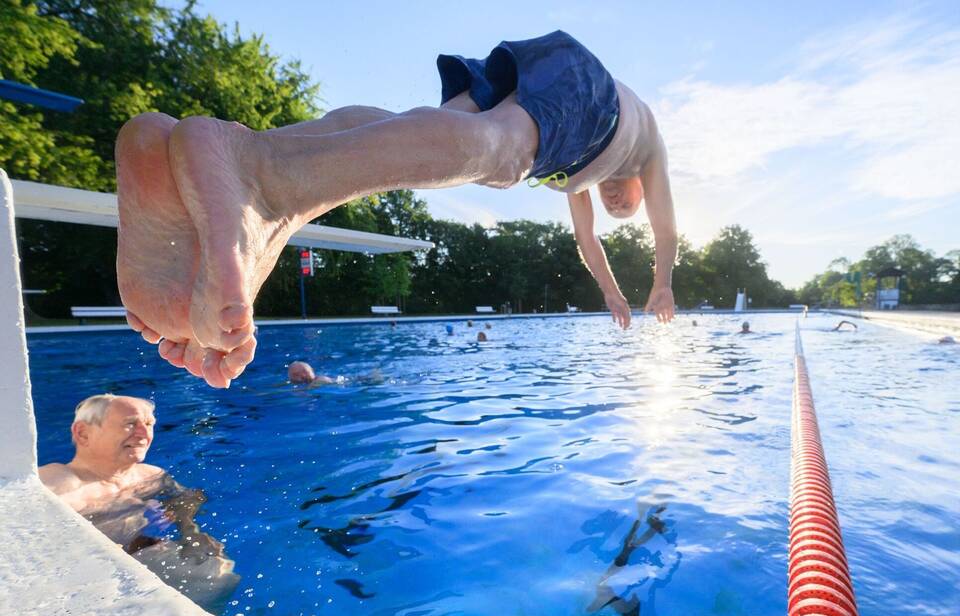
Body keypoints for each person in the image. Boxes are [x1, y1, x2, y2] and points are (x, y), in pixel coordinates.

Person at [116, 31, 678, 389]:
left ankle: (222, 176)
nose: (614, 202)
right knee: (501, 159)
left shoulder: (578, 175)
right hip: (587, 93)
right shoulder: (646, 149)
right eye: (624, 201)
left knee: (416, 133)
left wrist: (609, 290)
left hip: (554, 78)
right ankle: (261, 183)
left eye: (616, 207)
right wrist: (663, 282)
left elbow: (588, 241)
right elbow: (667, 228)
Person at [38, 394, 239, 612]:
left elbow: (190, 497)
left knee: (218, 568)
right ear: (83, 433)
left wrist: (190, 530)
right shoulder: (59, 480)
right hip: (95, 578)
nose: (144, 434)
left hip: (145, 556)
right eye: (130, 424)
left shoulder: (150, 475)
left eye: (149, 424)